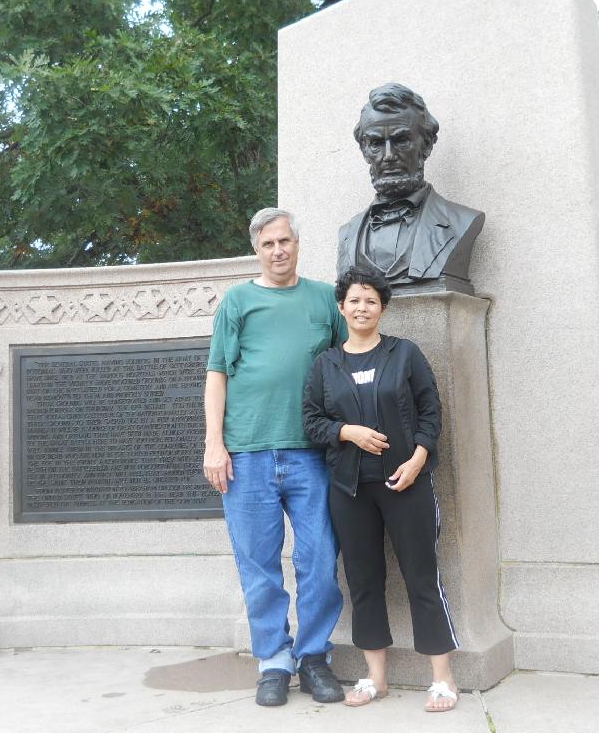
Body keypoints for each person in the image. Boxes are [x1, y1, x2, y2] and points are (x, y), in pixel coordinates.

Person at [203, 207, 348, 707]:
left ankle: (314, 658)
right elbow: (217, 373)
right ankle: (273, 661)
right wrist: (214, 443)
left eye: (284, 241)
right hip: (247, 454)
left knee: (320, 558)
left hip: (311, 453)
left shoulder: (324, 299)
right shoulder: (238, 301)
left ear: (297, 244)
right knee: (258, 564)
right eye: (268, 244)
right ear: (257, 249)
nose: (278, 251)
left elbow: (346, 363)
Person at [303, 267, 460, 712]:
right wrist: (347, 431)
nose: (362, 307)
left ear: (383, 308)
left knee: (421, 577)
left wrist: (418, 458)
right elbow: (312, 421)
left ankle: (442, 679)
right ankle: (376, 677)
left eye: (371, 300)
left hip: (405, 482)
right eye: (354, 300)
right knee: (364, 581)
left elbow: (431, 410)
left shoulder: (404, 354)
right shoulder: (326, 364)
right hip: (350, 490)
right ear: (341, 307)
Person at [336, 83, 484, 294]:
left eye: (401, 140)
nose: (388, 155)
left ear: (427, 145)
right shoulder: (347, 235)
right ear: (365, 150)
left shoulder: (462, 221)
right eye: (377, 143)